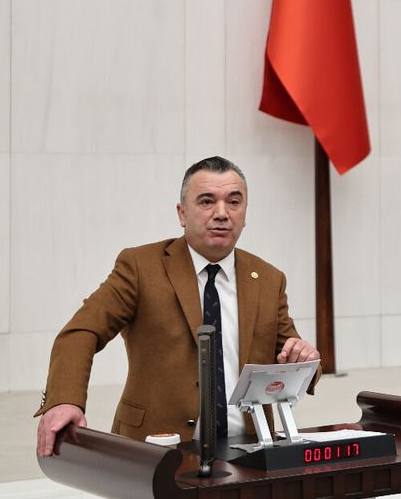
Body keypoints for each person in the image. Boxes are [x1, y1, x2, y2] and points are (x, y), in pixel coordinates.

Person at [34, 156, 319, 456]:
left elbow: (293, 358)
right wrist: (64, 400)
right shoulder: (141, 267)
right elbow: (81, 332)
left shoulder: (268, 279)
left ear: (245, 213)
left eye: (234, 202)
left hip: (248, 451)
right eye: (207, 201)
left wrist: (305, 360)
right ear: (182, 213)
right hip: (156, 451)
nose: (222, 213)